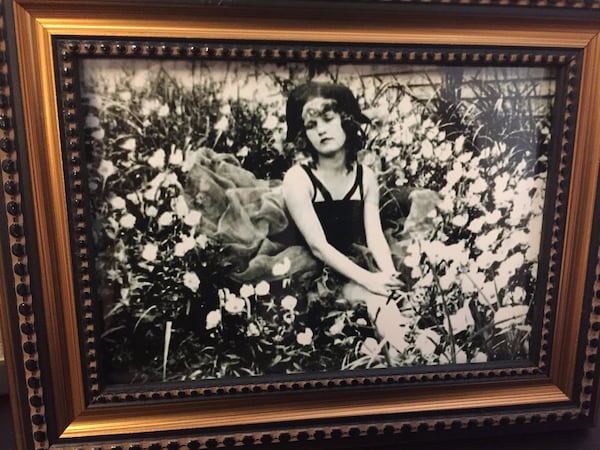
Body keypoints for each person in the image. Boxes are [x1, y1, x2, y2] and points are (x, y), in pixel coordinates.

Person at [281, 81, 412, 361]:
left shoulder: (366, 176)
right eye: (312, 125)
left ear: (346, 120)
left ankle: (415, 353)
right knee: (376, 298)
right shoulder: (298, 179)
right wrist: (370, 280)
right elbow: (318, 246)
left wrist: (389, 276)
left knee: (389, 296)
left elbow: (374, 233)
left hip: (355, 258)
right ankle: (407, 361)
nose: (321, 130)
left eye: (328, 119)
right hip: (317, 269)